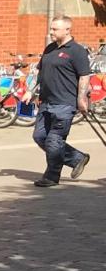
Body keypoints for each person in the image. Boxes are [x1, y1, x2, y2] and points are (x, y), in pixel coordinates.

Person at [32, 15, 93, 187]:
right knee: (40, 136)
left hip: (65, 103)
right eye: (51, 28)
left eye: (54, 29)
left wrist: (81, 99)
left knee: (54, 140)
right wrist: (33, 92)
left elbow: (84, 76)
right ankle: (77, 158)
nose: (50, 32)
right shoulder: (50, 48)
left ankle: (51, 177)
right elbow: (40, 73)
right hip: (46, 102)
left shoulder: (77, 51)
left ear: (67, 30)